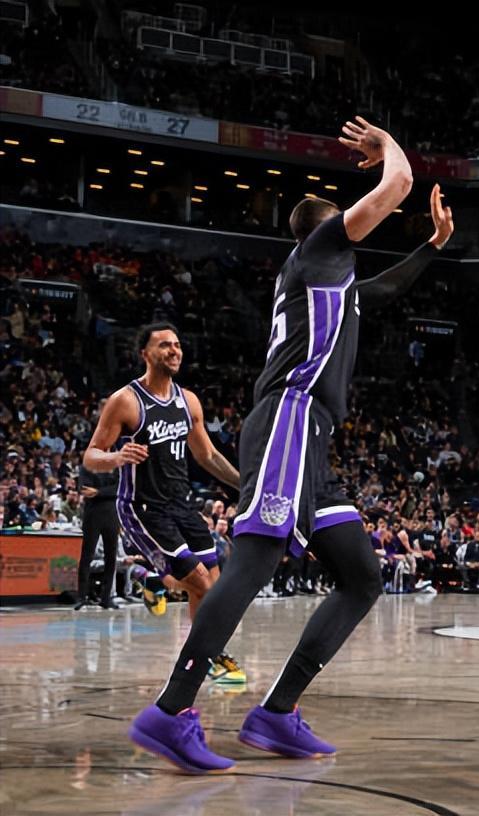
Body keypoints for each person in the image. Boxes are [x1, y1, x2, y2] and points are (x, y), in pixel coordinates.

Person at [127, 115, 454, 774]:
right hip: (289, 415)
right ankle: (170, 710)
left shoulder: (334, 283)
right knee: (255, 559)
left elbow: (386, 287)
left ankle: (275, 714)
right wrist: (388, 145)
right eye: (349, 222)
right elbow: (398, 185)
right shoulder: (318, 251)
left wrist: (433, 245)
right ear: (329, 229)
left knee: (361, 576)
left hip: (312, 433)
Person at [82, 324, 245, 684]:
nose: (174, 350)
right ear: (145, 354)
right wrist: (117, 457)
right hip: (142, 507)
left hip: (181, 505)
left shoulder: (188, 401)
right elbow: (91, 455)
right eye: (164, 345)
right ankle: (204, 657)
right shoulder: (126, 400)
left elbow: (207, 455)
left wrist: (246, 486)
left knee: (213, 587)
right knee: (201, 584)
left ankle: (156, 583)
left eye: (177, 344)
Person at [75, 446, 120, 609]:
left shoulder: (116, 466)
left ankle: (106, 597)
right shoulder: (87, 465)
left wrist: (99, 492)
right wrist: (106, 492)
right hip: (92, 513)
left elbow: (119, 488)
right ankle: (81, 596)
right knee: (87, 555)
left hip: (111, 514)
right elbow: (84, 489)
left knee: (111, 556)